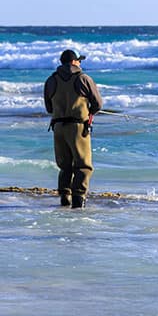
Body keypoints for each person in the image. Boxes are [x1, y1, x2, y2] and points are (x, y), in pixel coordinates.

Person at [43, 49, 103, 208]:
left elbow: (49, 108)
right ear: (73, 62)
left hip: (58, 127)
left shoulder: (51, 80)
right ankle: (78, 200)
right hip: (78, 127)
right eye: (79, 60)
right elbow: (98, 104)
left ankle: (64, 198)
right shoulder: (83, 78)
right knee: (83, 165)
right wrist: (89, 111)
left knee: (65, 166)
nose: (80, 63)